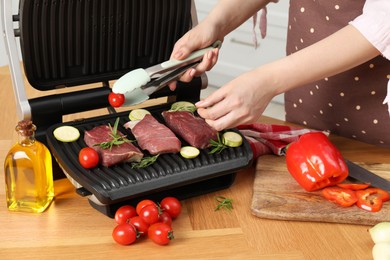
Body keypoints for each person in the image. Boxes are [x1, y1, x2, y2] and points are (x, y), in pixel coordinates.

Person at [169, 0, 390, 147]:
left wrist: (267, 81)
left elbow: (382, 23)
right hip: (308, 88)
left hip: (377, 113)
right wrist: (216, 23)